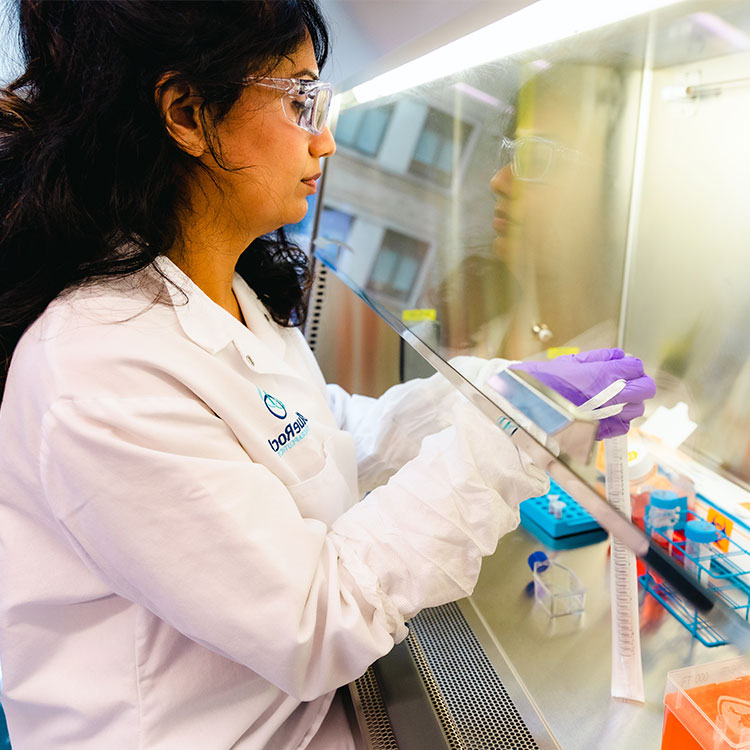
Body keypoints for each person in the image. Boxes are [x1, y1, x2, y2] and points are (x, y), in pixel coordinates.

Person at [0, 3, 652, 748]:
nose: (327, 140)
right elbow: (315, 619)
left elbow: (325, 436)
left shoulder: (229, 294)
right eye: (300, 99)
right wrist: (502, 440)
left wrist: (496, 389)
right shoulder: (100, 366)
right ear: (187, 113)